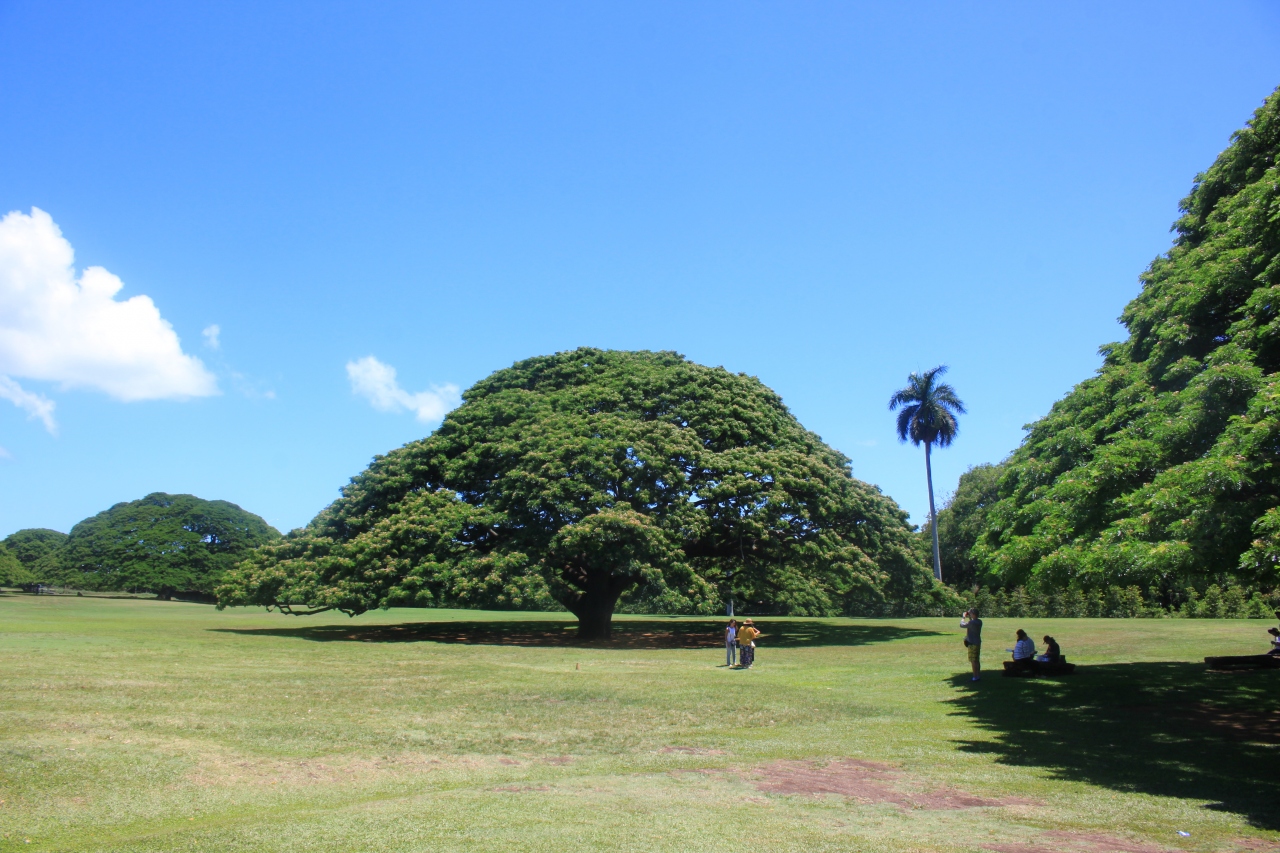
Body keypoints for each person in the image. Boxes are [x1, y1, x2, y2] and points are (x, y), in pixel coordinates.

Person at [960, 609, 983, 681]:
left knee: (973, 660)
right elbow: (971, 623)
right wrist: (969, 616)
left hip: (972, 643)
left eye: (970, 613)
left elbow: (962, 625)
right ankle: (978, 675)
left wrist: (963, 617)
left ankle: (975, 677)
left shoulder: (972, 623)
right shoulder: (979, 621)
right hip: (977, 642)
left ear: (973, 614)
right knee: (976, 660)